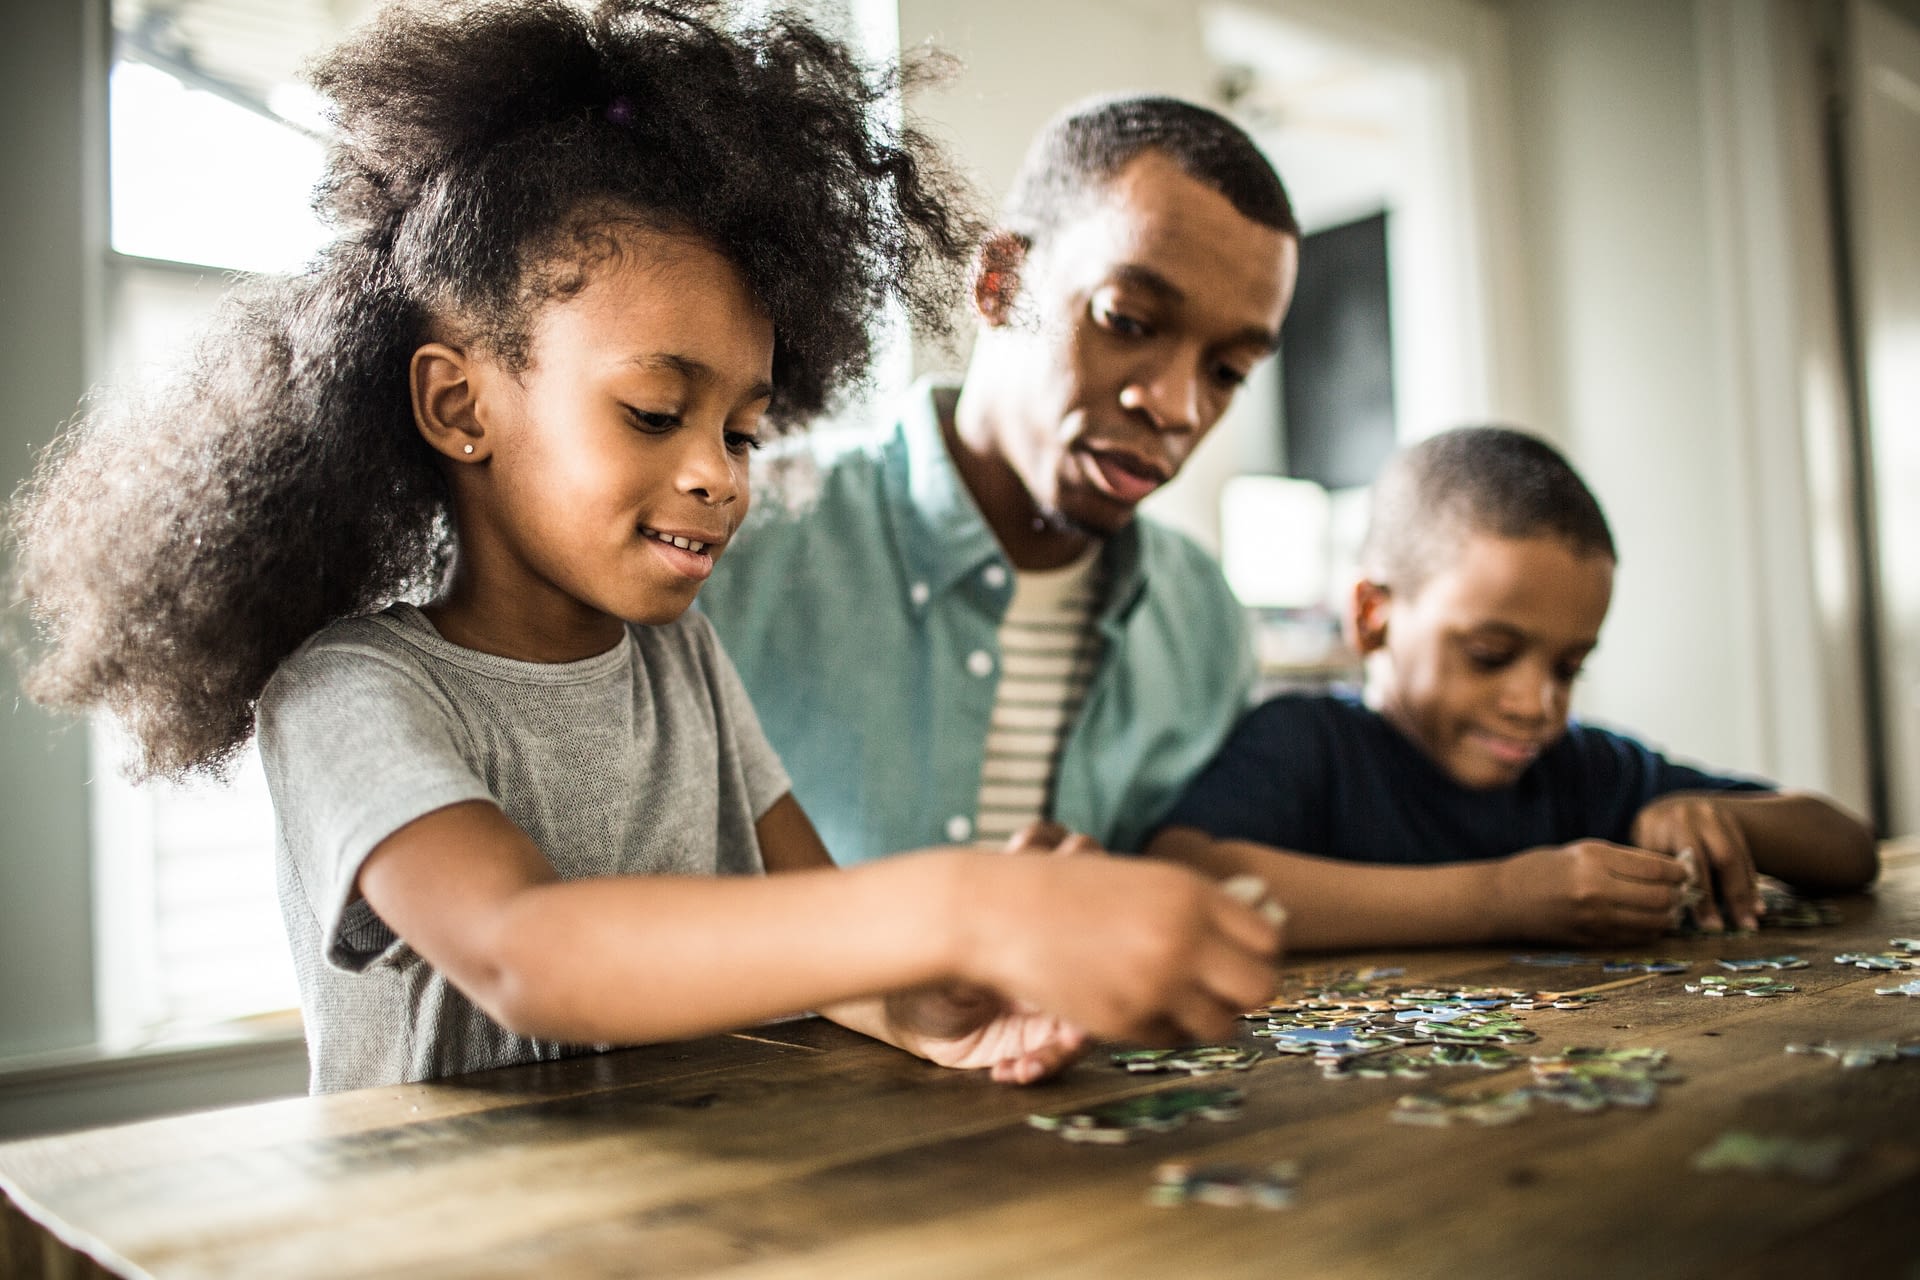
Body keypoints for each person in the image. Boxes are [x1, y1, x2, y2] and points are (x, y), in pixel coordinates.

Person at [5, 1, 1281, 1094]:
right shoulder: (353, 690)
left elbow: (810, 937)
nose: (719, 475)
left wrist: (925, 1003)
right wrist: (968, 901)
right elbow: (532, 952)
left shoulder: (684, 664)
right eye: (656, 413)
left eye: (744, 425)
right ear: (461, 405)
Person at [699, 95, 1300, 864]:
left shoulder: (1206, 622)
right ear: (1001, 282)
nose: (1178, 407)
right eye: (1129, 321)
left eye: (1228, 371)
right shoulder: (736, 536)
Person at [1147, 426, 1878, 948]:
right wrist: (1501, 898)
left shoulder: (1585, 770)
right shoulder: (1307, 743)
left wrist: (1718, 820)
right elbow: (1186, 875)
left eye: (1569, 667)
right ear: (1373, 617)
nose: (1537, 705)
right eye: (1491, 654)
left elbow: (1848, 848)